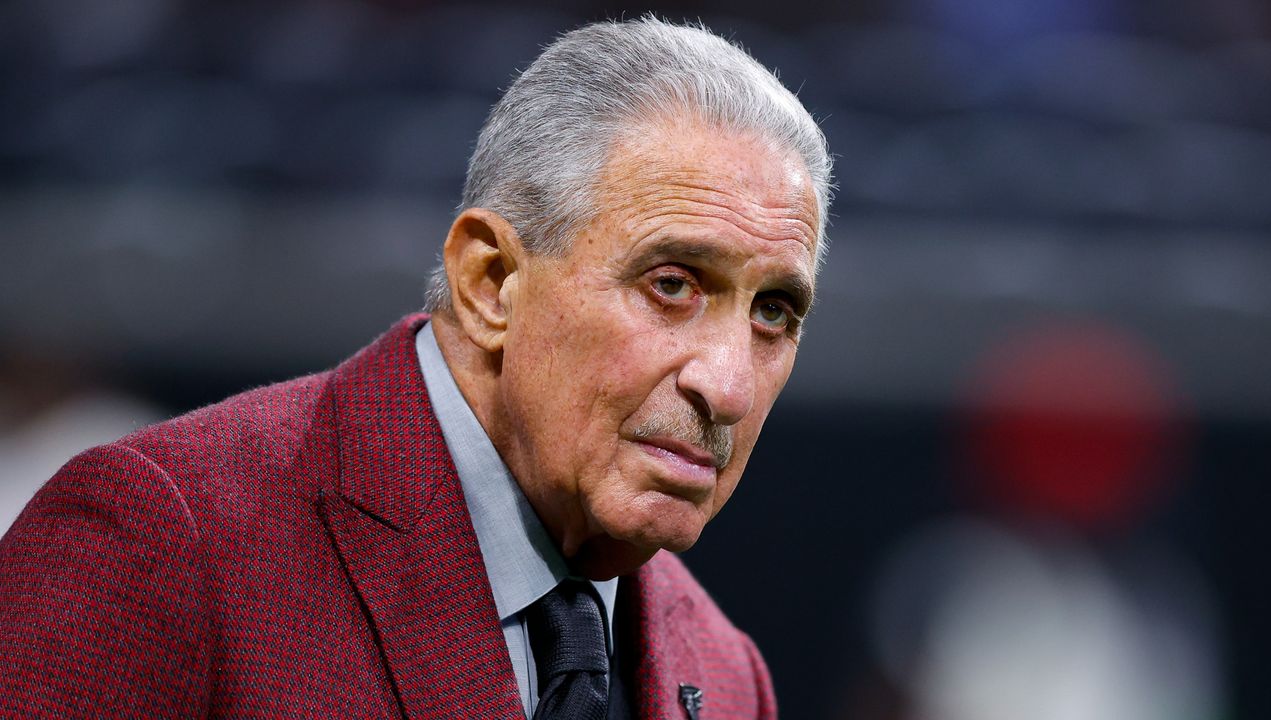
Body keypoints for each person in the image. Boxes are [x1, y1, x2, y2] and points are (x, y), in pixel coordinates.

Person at [0, 17, 832, 720]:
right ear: (490, 282)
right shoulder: (161, 542)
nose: (727, 386)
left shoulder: (726, 675)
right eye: (672, 285)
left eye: (773, 313)